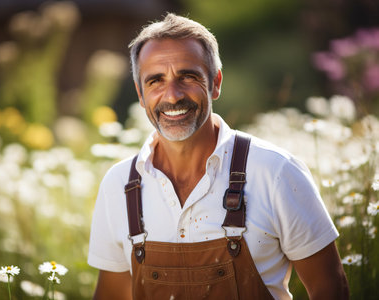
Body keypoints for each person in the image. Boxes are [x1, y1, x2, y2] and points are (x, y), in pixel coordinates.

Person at [87, 13, 349, 300]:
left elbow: (330, 289)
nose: (172, 96)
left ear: (215, 82)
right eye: (156, 81)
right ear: (140, 93)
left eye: (188, 76)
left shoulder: (275, 172)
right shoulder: (119, 185)